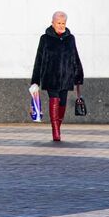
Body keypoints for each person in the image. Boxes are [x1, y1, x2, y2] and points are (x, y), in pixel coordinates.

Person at [30, 11, 84, 142]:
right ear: (52, 23)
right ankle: (55, 131)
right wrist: (35, 81)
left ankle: (58, 126)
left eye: (63, 23)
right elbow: (39, 59)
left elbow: (75, 57)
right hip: (50, 77)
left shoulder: (70, 38)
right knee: (54, 99)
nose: (61, 25)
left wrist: (78, 76)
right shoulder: (45, 38)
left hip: (66, 77)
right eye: (58, 23)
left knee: (63, 103)